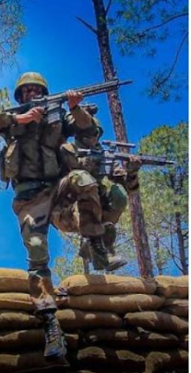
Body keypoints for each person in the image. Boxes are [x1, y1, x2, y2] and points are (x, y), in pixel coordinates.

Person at [0, 72, 109, 360]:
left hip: (57, 190)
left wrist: (75, 108)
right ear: (20, 96)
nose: (32, 94)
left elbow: (91, 135)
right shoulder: (12, 122)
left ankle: (96, 244)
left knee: (83, 178)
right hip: (28, 198)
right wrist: (19, 120)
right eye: (27, 91)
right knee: (36, 250)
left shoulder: (58, 117)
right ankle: (50, 321)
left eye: (37, 90)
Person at [59, 105, 140, 271]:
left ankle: (96, 244)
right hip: (66, 210)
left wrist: (131, 172)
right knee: (83, 179)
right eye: (85, 133)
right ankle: (100, 256)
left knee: (118, 195)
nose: (90, 137)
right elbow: (62, 175)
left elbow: (130, 190)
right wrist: (82, 165)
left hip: (93, 209)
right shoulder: (67, 149)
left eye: (94, 133)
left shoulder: (104, 155)